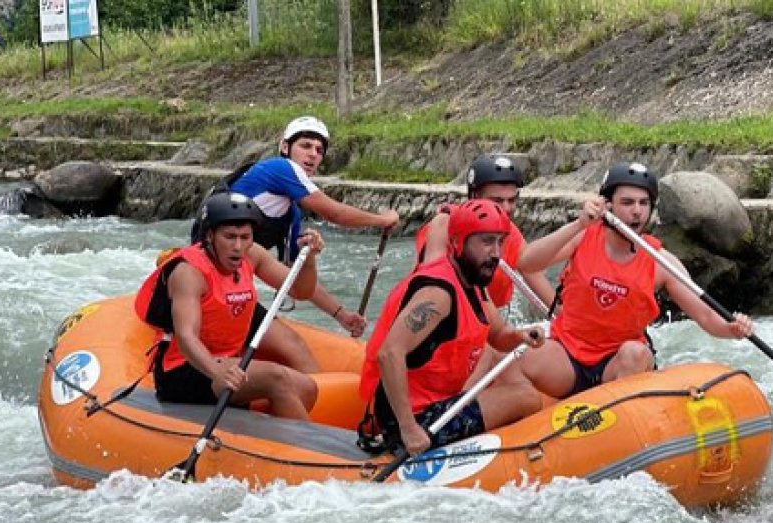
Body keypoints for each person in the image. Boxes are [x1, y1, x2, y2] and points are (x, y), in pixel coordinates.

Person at [516, 161, 754, 399]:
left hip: (617, 364)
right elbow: (527, 263)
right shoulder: (582, 235)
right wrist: (579, 224)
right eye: (627, 203)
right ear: (607, 206)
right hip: (568, 355)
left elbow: (705, 316)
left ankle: (622, 416)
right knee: (522, 356)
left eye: (644, 203)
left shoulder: (661, 261)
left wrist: (730, 329)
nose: (637, 211)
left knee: (635, 353)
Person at [191, 116, 399, 366]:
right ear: (285, 147)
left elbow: (295, 282)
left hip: (234, 292)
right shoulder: (280, 168)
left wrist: (341, 314)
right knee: (291, 350)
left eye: (319, 150)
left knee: (295, 348)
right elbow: (334, 213)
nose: (313, 155)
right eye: (306, 146)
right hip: (203, 286)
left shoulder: (291, 216)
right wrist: (381, 219)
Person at [359, 199, 545, 456]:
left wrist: (521, 336)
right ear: (457, 243)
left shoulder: (473, 281)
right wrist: (409, 429)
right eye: (486, 241)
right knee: (526, 398)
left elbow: (499, 336)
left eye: (500, 242)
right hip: (416, 419)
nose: (496, 253)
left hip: (437, 402)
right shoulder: (438, 293)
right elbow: (389, 354)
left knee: (511, 378)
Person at [138, 192, 323, 420]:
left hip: (227, 362)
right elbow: (186, 338)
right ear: (210, 236)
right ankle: (302, 452)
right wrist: (216, 371)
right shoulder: (189, 273)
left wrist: (310, 261)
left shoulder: (252, 254)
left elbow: (301, 291)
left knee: (307, 388)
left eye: (245, 237)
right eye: (230, 237)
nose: (238, 246)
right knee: (276, 377)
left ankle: (272, 437)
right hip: (184, 369)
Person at [416, 154, 555, 309]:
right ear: (474, 196)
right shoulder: (444, 226)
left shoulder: (510, 232)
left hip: (492, 316)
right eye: (497, 201)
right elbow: (434, 283)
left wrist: (560, 314)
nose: (507, 209)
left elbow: (531, 269)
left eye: (512, 200)